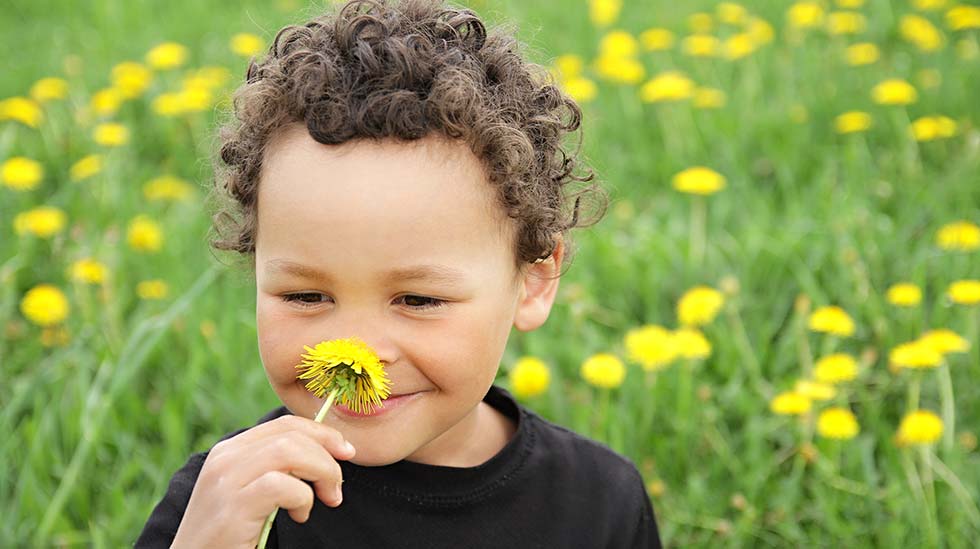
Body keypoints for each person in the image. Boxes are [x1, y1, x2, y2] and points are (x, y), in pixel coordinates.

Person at [136, 0, 661, 547]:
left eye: (418, 300)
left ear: (532, 281)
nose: (355, 347)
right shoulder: (226, 503)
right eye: (308, 295)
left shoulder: (598, 502)